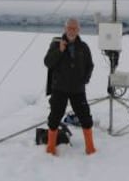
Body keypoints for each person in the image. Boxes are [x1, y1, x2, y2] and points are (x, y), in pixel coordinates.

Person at [44, 18, 96, 155]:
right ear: (65, 29)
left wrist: (84, 79)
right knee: (54, 117)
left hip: (77, 90)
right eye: (70, 28)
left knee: (85, 117)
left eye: (75, 28)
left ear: (78, 30)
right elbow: (48, 62)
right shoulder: (56, 44)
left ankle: (90, 147)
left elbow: (90, 65)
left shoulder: (83, 47)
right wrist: (60, 51)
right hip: (59, 89)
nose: (72, 31)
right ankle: (50, 147)